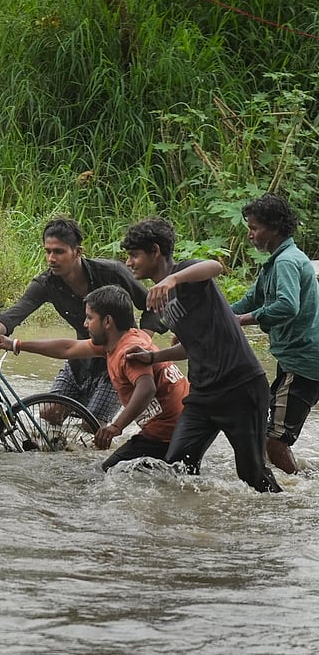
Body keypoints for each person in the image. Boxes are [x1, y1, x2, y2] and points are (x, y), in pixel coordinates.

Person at [121, 216, 281, 493]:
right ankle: (193, 526)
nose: (129, 262)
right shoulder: (159, 299)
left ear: (155, 251)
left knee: (251, 474)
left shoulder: (187, 274)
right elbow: (190, 346)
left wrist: (172, 279)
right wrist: (153, 357)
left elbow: (214, 266)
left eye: (134, 255)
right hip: (203, 394)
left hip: (240, 388)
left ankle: (284, 515)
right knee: (177, 466)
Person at [0, 218, 161, 425]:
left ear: (77, 252)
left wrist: (140, 342)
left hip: (117, 363)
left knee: (92, 425)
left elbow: (153, 307)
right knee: (50, 414)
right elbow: (15, 314)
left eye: (58, 252)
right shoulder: (47, 283)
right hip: (81, 357)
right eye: (47, 251)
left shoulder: (112, 272)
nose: (51, 258)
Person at [0, 285, 188, 470]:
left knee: (107, 472)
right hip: (184, 423)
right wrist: (16, 344)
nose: (85, 324)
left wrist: (116, 427)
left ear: (108, 321)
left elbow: (146, 389)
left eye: (89, 318)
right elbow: (69, 348)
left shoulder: (129, 352)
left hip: (167, 433)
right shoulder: (122, 339)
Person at [230, 193, 319, 474]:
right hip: (295, 360)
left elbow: (287, 305)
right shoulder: (276, 262)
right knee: (270, 430)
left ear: (275, 228)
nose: (250, 235)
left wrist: (242, 320)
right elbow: (250, 300)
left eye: (254, 228)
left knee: (274, 442)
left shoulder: (286, 262)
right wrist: (213, 318)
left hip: (303, 363)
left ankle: (296, 494)